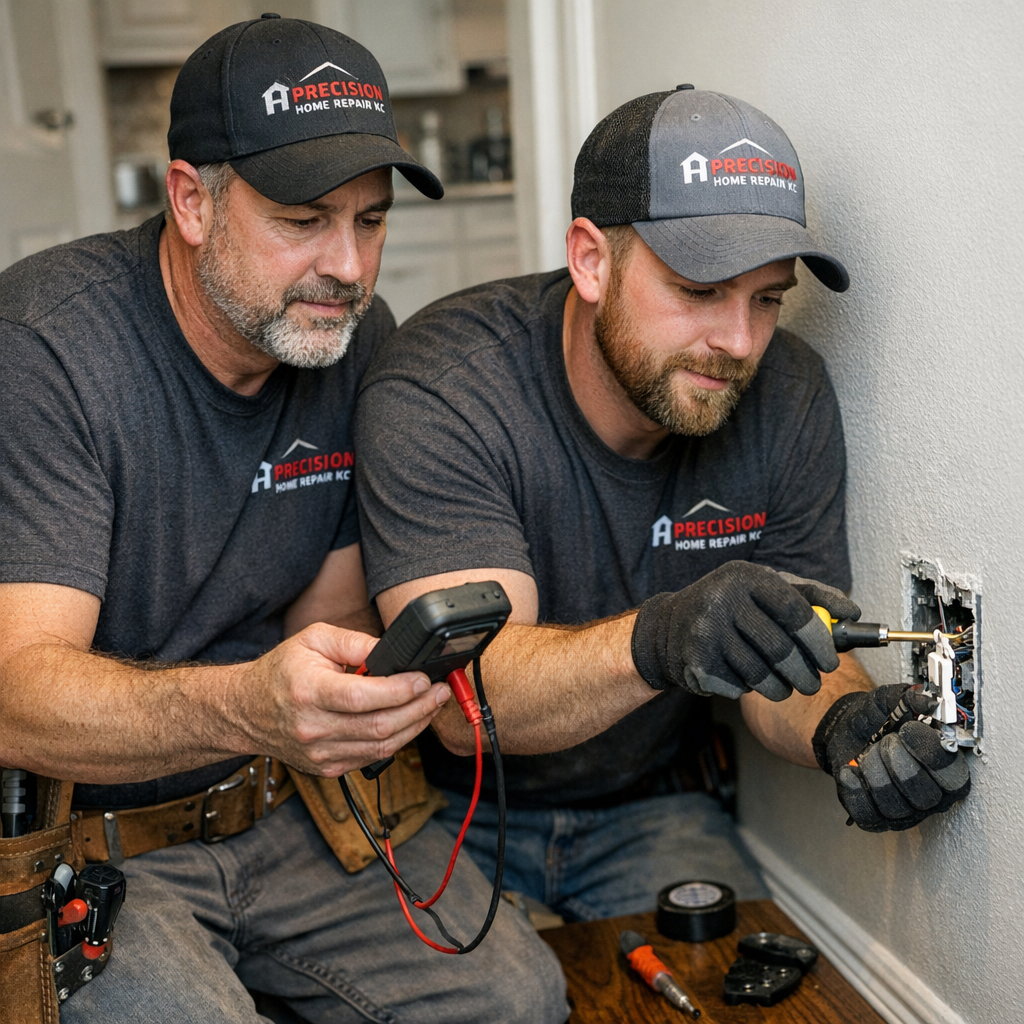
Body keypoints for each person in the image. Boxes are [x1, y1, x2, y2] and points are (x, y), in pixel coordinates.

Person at [0, 15, 567, 1024]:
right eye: (303, 220)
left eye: (370, 219)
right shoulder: (47, 350)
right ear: (189, 199)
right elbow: (17, 697)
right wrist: (248, 704)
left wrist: (363, 691)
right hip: (96, 842)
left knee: (519, 997)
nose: (347, 267)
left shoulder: (353, 342)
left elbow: (323, 621)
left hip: (293, 809)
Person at [354, 86, 971, 922]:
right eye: (701, 289)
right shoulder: (445, 388)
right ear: (591, 261)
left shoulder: (787, 395)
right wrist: (666, 636)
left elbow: (781, 661)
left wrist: (845, 727)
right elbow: (470, 704)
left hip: (654, 807)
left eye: (766, 298)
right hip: (443, 813)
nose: (740, 343)